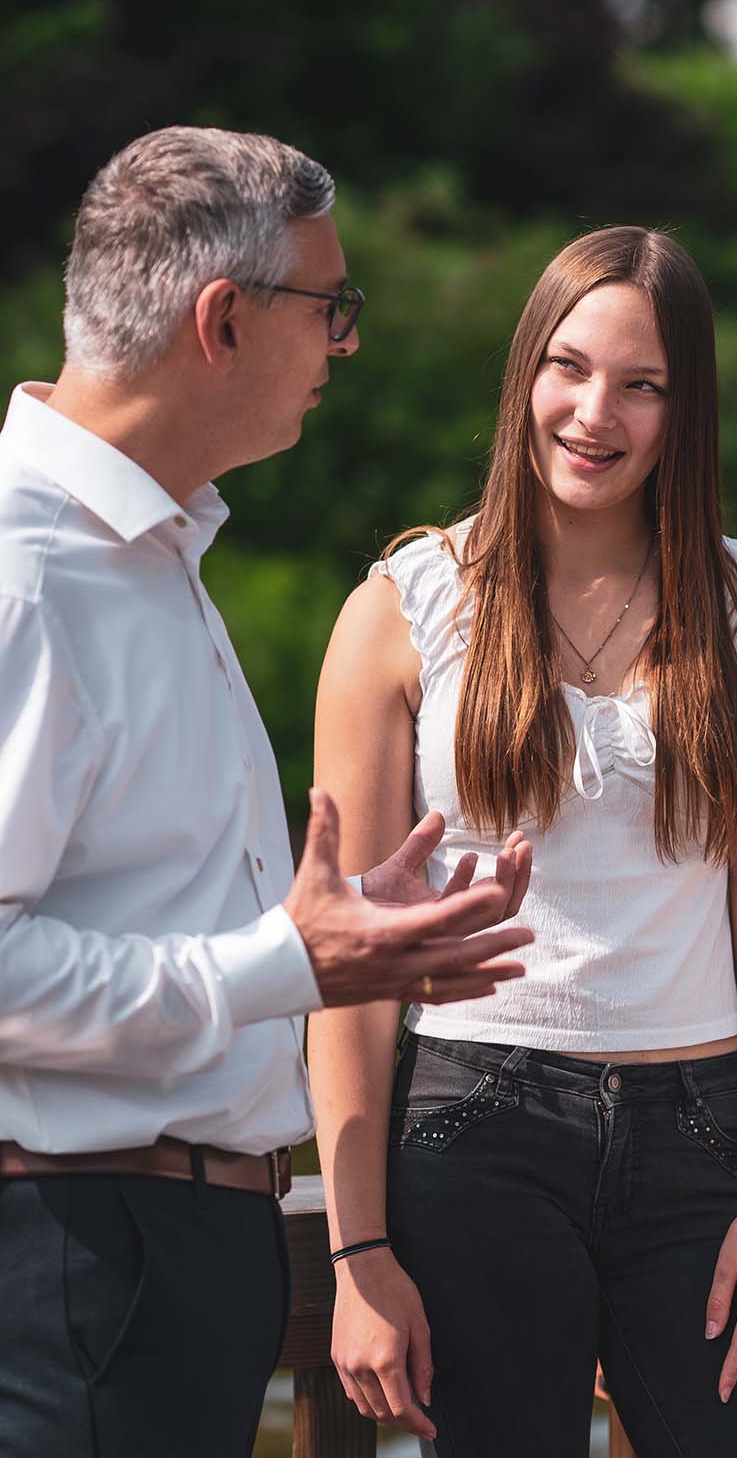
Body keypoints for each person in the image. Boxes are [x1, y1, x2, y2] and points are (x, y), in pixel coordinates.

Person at [0, 126, 535, 1458]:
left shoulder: (141, 553)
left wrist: (347, 943)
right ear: (223, 321)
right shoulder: (31, 578)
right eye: (330, 308)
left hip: (157, 1256)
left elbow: (136, 896)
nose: (344, 344)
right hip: (82, 1255)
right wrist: (279, 963)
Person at [308, 225, 737, 1456]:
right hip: (472, 1127)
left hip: (705, 1137)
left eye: (642, 384)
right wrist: (358, 1246)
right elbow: (349, 959)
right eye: (569, 366)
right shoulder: (407, 604)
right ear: (523, 377)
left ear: (684, 407)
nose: (596, 412)